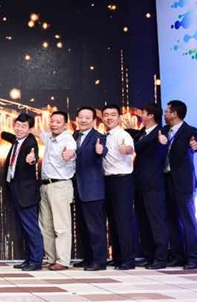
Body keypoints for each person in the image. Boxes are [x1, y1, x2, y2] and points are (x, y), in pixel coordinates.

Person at [0, 113, 42, 271]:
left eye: (24, 126)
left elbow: (33, 156)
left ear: (30, 129)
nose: (19, 129)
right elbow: (10, 137)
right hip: (16, 189)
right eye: (17, 125)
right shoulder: (17, 139)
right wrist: (0, 131)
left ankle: (36, 261)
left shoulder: (31, 142)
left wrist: (32, 160)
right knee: (24, 228)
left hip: (26, 193)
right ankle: (29, 259)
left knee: (31, 227)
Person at [161, 100, 197, 269]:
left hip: (184, 183)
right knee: (172, 220)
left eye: (167, 111)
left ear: (174, 114)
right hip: (166, 180)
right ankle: (178, 255)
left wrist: (196, 145)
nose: (164, 114)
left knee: (188, 220)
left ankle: (194, 256)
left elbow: (196, 144)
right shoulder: (164, 131)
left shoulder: (190, 131)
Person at [126, 103, 168, 270]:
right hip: (139, 183)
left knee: (156, 221)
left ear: (150, 115)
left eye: (143, 113)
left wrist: (163, 142)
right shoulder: (142, 132)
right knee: (143, 221)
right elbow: (136, 137)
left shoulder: (160, 133)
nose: (140, 115)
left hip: (153, 184)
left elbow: (141, 146)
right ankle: (148, 255)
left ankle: (160, 258)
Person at [34, 111, 76, 271]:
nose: (54, 124)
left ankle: (63, 260)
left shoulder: (68, 140)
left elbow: (71, 152)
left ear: (65, 125)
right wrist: (23, 128)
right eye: (52, 121)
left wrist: (69, 154)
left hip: (60, 186)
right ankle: (51, 258)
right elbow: (39, 133)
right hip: (45, 186)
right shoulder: (49, 137)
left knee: (61, 225)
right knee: (46, 225)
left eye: (58, 122)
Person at [72, 107, 108, 271]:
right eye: (81, 117)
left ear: (94, 121)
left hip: (93, 189)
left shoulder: (99, 137)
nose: (83, 120)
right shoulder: (74, 136)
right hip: (78, 188)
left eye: (87, 118)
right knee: (83, 226)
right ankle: (88, 258)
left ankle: (99, 261)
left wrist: (101, 151)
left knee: (95, 227)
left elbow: (103, 150)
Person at [101, 104, 136, 270]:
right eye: (106, 115)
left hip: (122, 180)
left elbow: (129, 148)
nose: (109, 118)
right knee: (113, 221)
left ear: (120, 118)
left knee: (123, 221)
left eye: (113, 115)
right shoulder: (104, 136)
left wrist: (126, 149)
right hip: (108, 181)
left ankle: (128, 260)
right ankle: (117, 257)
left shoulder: (123, 135)